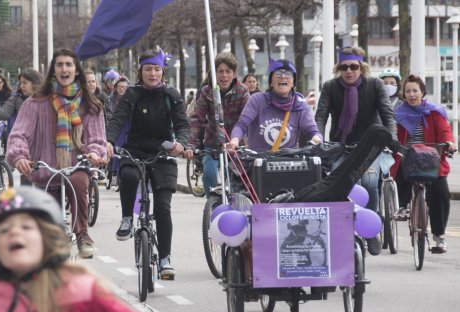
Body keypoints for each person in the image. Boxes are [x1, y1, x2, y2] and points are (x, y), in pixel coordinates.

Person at [0, 187, 144, 312]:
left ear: (48, 238)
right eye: (4, 230)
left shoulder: (83, 292)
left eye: (26, 227)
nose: (14, 233)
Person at [6, 48, 107, 259]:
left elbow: (96, 140)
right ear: (53, 71)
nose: (64, 69)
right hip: (46, 170)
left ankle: (82, 234)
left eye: (69, 64)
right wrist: (20, 157)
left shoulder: (91, 106)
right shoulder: (35, 103)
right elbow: (19, 134)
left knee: (79, 181)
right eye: (59, 65)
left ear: (76, 70)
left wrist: (95, 153)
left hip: (76, 165)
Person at [106, 47, 189, 279]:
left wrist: (181, 143)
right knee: (130, 177)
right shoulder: (131, 95)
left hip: (163, 154)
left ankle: (165, 258)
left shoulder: (172, 96)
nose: (152, 74)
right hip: (134, 151)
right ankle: (126, 217)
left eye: (157, 69)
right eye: (148, 69)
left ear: (163, 71)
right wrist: (109, 141)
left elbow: (183, 125)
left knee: (163, 206)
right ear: (140, 71)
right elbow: (116, 120)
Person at [314, 46, 396, 256]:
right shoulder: (330, 87)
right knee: (342, 186)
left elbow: (387, 115)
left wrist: (392, 137)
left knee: (369, 184)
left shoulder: (375, 85)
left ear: (362, 68)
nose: (349, 71)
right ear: (338, 68)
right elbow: (321, 116)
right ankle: (341, 230)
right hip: (340, 144)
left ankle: (371, 230)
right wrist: (318, 138)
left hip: (369, 143)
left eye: (353, 66)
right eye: (344, 67)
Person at [392, 75, 456, 253]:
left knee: (441, 193)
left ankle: (439, 235)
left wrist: (450, 143)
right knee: (401, 169)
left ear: (422, 92)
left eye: (415, 90)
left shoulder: (434, 112)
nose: (412, 94)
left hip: (431, 159)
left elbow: (445, 132)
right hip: (408, 157)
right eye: (408, 91)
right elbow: (392, 135)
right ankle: (403, 207)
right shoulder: (398, 114)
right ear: (404, 95)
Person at [184, 52, 250, 197]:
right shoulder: (207, 92)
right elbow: (197, 119)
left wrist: (237, 141)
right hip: (213, 142)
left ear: (234, 74)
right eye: (220, 71)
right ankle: (213, 205)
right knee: (209, 175)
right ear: (214, 74)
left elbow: (246, 119)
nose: (224, 75)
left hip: (236, 145)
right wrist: (190, 144)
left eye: (228, 71)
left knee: (233, 180)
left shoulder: (242, 91)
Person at [229, 58, 322, 152]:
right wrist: (234, 140)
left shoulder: (300, 104)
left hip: (290, 160)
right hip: (256, 161)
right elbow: (242, 124)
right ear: (271, 82)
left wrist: (317, 139)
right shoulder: (257, 100)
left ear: (293, 83)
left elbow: (312, 131)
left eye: (288, 73)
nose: (283, 76)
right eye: (278, 73)